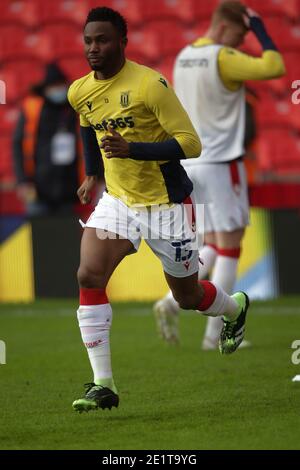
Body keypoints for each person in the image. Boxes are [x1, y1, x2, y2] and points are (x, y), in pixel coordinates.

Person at [68, 6, 250, 413]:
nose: (93, 49)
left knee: (186, 297)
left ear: (122, 42)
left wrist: (133, 150)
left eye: (102, 40)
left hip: (168, 205)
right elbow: (87, 125)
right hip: (118, 201)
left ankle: (235, 307)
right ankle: (104, 384)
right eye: (88, 41)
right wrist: (94, 172)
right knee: (89, 273)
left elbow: (191, 144)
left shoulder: (151, 85)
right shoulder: (79, 89)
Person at [154, 1, 285, 349]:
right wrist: (259, 28)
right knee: (230, 247)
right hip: (223, 161)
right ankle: (217, 334)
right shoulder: (223, 57)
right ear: (225, 27)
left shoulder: (182, 56)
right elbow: (275, 65)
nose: (241, 42)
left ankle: (171, 300)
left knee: (211, 243)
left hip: (191, 162)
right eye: (240, 35)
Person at [13, 62, 83, 216]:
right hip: (38, 187)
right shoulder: (32, 109)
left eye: (60, 85)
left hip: (70, 189)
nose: (58, 89)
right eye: (54, 86)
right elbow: (18, 145)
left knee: (67, 237)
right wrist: (22, 181)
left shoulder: (75, 109)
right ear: (45, 88)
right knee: (40, 235)